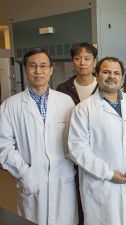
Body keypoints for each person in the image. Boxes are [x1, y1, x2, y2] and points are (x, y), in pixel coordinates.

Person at [0, 48, 77, 225]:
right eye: (33, 66)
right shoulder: (11, 106)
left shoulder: (65, 101)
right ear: (25, 69)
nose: (38, 71)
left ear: (51, 69)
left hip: (63, 178)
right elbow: (4, 146)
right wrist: (25, 174)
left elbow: (75, 139)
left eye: (43, 66)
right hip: (31, 177)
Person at [68, 57, 126, 225]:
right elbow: (77, 149)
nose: (111, 76)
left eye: (116, 73)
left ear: (122, 76)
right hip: (101, 184)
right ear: (97, 75)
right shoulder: (83, 109)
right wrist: (108, 174)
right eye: (106, 72)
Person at [56, 42, 98, 225]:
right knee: (74, 202)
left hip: (98, 153)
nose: (82, 63)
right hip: (71, 157)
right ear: (72, 62)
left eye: (87, 58)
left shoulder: (104, 87)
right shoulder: (62, 89)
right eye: (78, 58)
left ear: (94, 62)